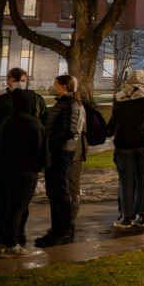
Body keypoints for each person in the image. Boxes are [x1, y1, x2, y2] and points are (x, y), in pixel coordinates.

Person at [0, 67, 46, 253]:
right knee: (6, 200)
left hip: (11, 159)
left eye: (22, 79)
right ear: (8, 81)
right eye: (16, 79)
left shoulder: (36, 101)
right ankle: (4, 233)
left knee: (17, 201)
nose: (19, 83)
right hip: (11, 159)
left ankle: (16, 232)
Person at [0, 89, 48, 257]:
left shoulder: (8, 121)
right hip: (24, 171)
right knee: (17, 208)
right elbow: (42, 150)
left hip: (2, 168)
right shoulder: (33, 123)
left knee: (3, 206)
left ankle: (4, 240)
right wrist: (42, 165)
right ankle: (11, 245)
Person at [107, 70, 144, 229]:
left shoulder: (119, 97)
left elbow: (114, 120)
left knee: (126, 181)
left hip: (124, 143)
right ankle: (142, 216)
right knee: (142, 180)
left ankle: (127, 216)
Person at [36, 74, 87, 247]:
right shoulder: (61, 103)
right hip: (54, 151)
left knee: (60, 191)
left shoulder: (71, 104)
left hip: (61, 151)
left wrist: (49, 143)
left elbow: (69, 131)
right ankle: (55, 229)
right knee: (53, 191)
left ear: (64, 86)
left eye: (56, 84)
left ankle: (63, 231)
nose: (53, 86)